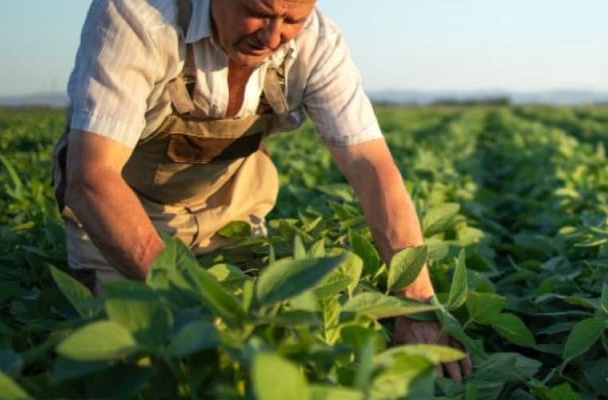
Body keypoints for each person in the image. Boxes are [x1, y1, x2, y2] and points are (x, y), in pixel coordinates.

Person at [50, 0, 471, 381]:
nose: (272, 37)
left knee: (278, 348)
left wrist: (416, 304)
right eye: (259, 11)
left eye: (292, 19)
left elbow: (370, 167)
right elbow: (91, 179)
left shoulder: (318, 42)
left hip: (231, 211)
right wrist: (193, 302)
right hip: (122, 216)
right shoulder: (139, 15)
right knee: (137, 358)